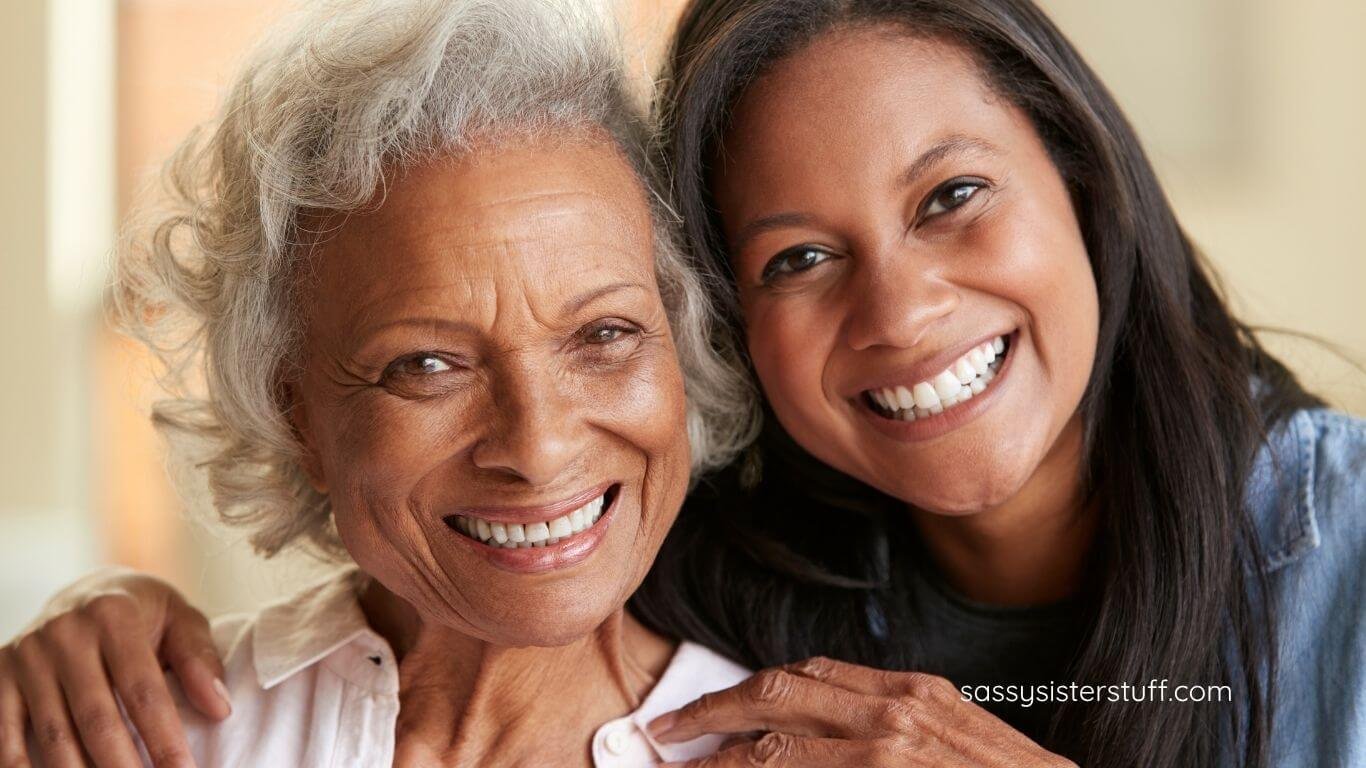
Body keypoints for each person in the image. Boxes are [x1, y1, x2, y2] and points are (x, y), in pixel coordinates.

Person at [5, 0, 1364, 766]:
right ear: (726, 329)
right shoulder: (741, 589)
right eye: (799, 257)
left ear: (1082, 174)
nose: (541, 448)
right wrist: (90, 609)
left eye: (951, 196)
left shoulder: (1336, 554)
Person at [3, 0, 771, 765]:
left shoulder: (799, 752)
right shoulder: (124, 735)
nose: (538, 447)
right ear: (295, 414)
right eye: (427, 366)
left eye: (605, 335)